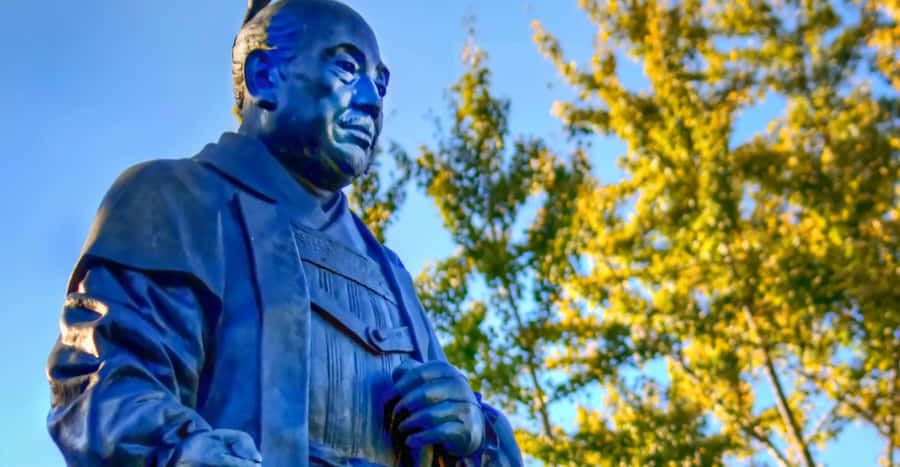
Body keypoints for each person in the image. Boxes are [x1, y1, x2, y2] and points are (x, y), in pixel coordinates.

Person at [46, 1, 523, 466]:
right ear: (264, 77)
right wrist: (185, 453)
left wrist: (476, 435)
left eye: (380, 84)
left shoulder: (390, 273)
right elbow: (98, 387)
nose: (372, 101)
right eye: (345, 69)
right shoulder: (175, 198)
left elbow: (455, 442)